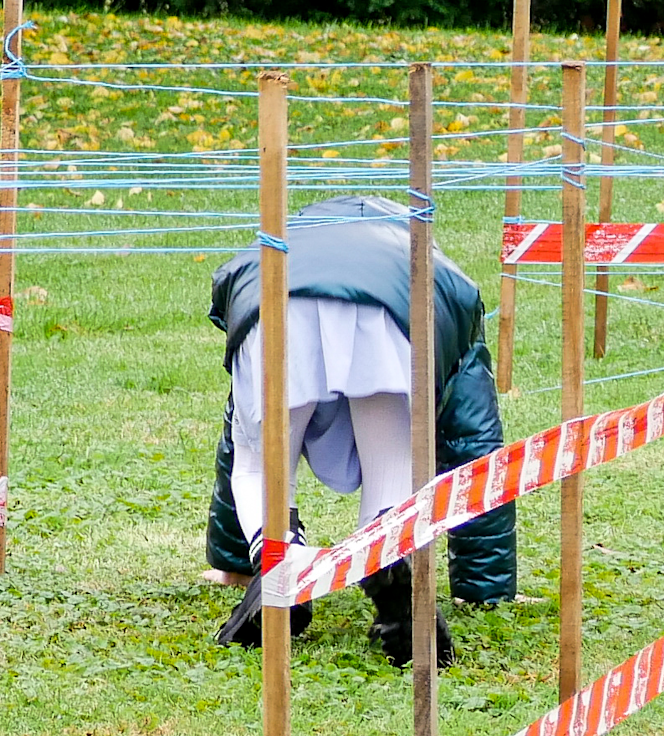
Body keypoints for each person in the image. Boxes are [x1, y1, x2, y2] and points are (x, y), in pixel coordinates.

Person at [201, 195, 518, 661]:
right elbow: (476, 445)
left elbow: (238, 448)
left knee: (258, 461)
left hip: (275, 304)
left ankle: (277, 559)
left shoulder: (270, 248)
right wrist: (484, 588)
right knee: (391, 460)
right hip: (391, 315)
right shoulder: (436, 270)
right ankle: (388, 554)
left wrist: (233, 563)